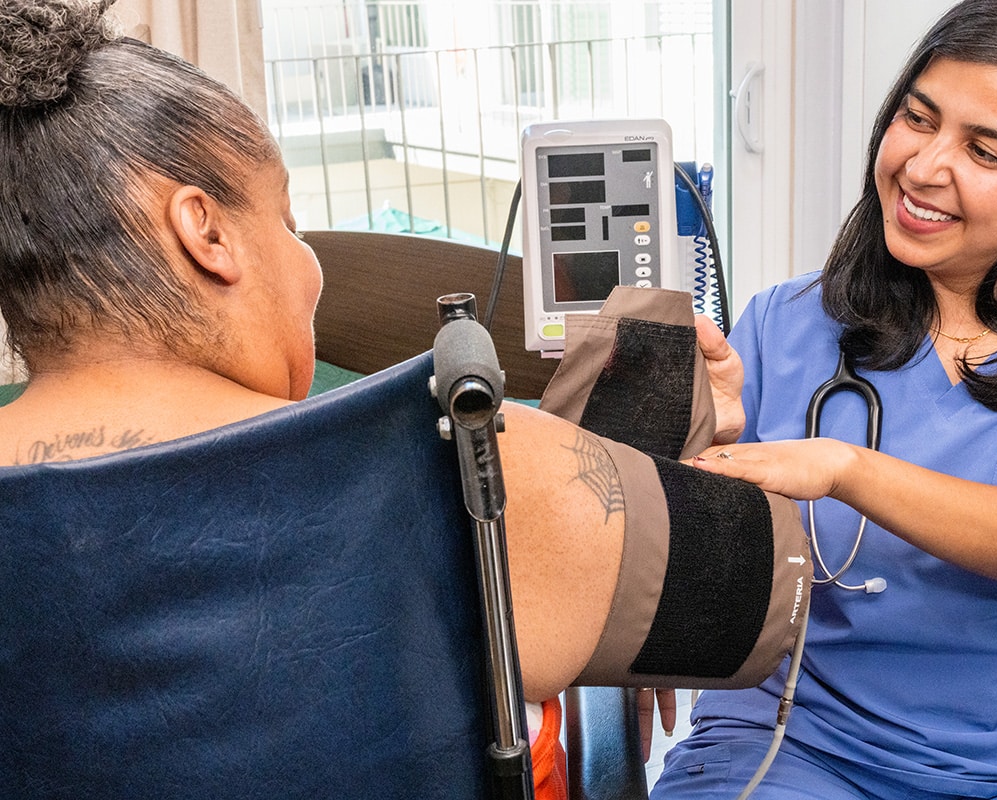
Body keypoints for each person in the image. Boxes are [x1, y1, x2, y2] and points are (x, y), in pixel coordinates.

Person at [0, 2, 804, 798]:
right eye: (287, 222)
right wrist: (672, 418)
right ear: (205, 234)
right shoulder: (471, 476)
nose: (309, 266)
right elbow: (760, 580)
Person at [653, 1, 997, 798]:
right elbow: (691, 548)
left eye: (985, 151)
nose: (923, 167)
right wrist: (702, 443)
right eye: (918, 117)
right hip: (795, 740)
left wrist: (845, 468)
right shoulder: (784, 322)